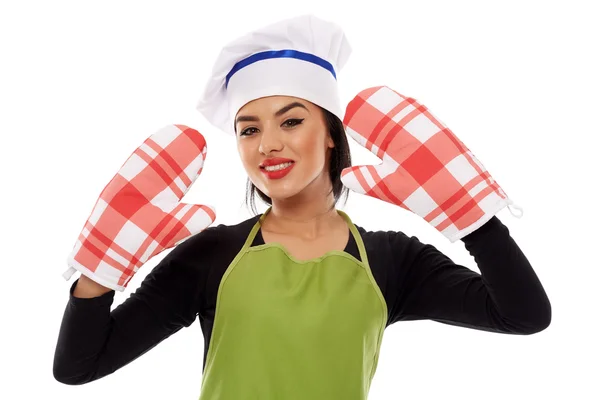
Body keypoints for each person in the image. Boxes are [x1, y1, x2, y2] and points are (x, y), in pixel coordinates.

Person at [53, 14, 551, 399]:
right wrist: (100, 266)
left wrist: (473, 218)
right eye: (249, 129)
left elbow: (523, 315)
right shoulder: (211, 254)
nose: (267, 144)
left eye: (290, 121)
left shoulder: (394, 261)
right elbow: (79, 367)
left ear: (330, 135)